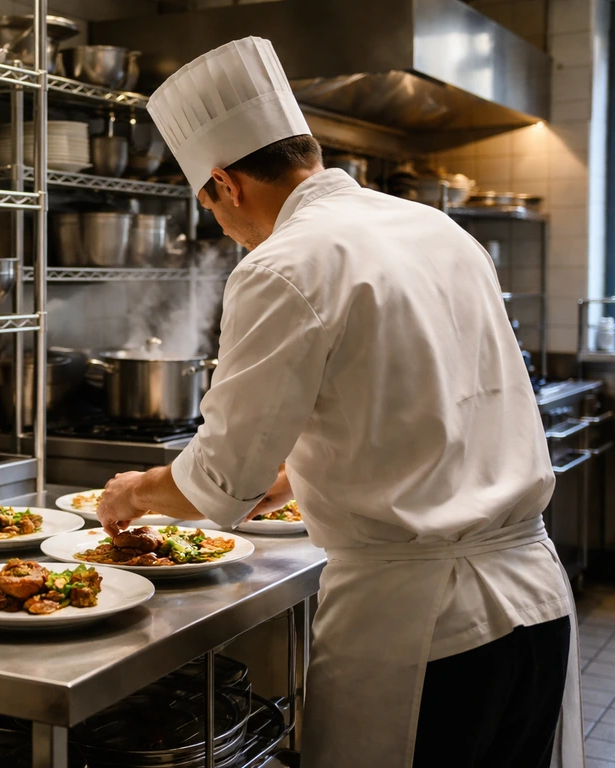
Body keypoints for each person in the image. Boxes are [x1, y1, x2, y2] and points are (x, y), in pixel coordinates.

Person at [94, 36, 583, 768]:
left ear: (226, 185)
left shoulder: (283, 263)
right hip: (537, 607)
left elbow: (222, 480)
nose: (225, 234)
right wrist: (297, 475)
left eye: (214, 212)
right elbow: (428, 404)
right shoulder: (437, 229)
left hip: (425, 633)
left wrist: (134, 493)